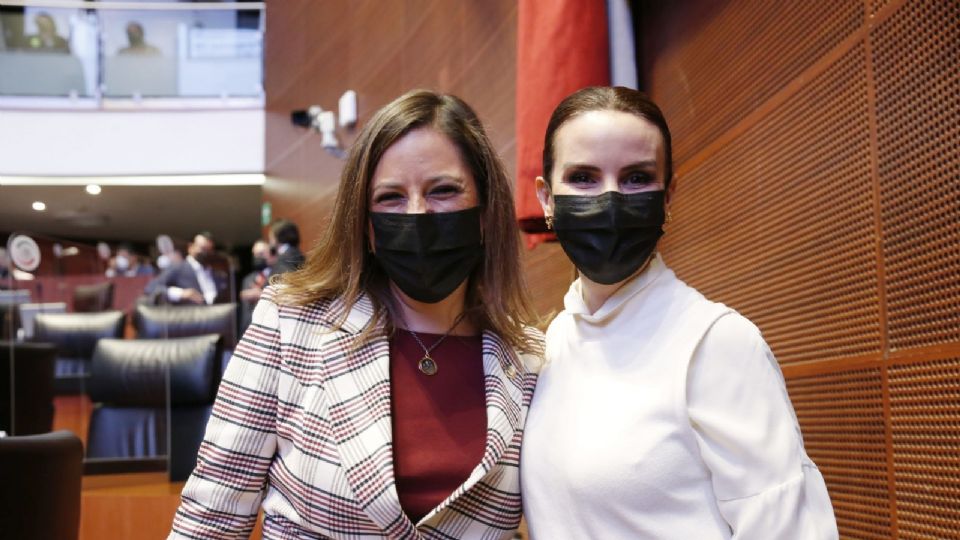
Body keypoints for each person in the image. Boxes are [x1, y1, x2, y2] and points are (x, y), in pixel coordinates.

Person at [169, 90, 543, 539]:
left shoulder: (529, 358)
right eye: (390, 198)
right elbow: (213, 515)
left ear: (485, 210)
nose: (418, 213)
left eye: (443, 191)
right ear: (364, 224)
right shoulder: (289, 324)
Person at [520, 86, 838, 539]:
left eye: (635, 178)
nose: (610, 199)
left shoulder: (715, 343)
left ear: (667, 197)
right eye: (584, 178)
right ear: (547, 198)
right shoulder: (547, 349)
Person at [146, 232, 227, 305]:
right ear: (190, 247)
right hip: (188, 317)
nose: (205, 253)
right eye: (202, 248)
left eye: (209, 250)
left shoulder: (216, 274)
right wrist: (181, 293)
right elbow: (152, 287)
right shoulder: (178, 267)